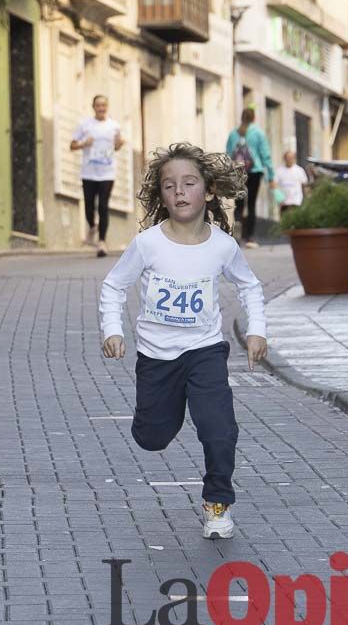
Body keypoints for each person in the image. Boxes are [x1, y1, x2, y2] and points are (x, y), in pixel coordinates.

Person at [99, 143, 268, 540]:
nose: (179, 191)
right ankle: (165, 414)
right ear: (162, 195)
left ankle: (217, 503)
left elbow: (250, 286)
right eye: (169, 185)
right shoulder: (148, 244)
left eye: (189, 183)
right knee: (152, 436)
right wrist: (112, 330)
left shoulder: (222, 246)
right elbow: (113, 285)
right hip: (156, 357)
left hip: (204, 352)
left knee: (218, 427)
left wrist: (257, 330)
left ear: (208, 191)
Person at [71, 95, 124, 257]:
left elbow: (116, 147)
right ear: (93, 107)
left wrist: (119, 143)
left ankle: (102, 242)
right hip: (88, 172)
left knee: (103, 206)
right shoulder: (84, 125)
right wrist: (83, 144)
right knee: (88, 206)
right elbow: (72, 145)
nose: (101, 108)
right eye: (98, 105)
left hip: (107, 173)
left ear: (107, 107)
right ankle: (92, 225)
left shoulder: (114, 126)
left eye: (104, 105)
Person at [225, 108, 275, 248]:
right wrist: (271, 175)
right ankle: (250, 238)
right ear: (254, 118)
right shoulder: (258, 133)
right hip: (254, 171)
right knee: (251, 204)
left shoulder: (233, 134)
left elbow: (228, 155)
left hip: (238, 172)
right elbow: (265, 155)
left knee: (239, 204)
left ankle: (237, 236)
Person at [273, 151, 310, 216]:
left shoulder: (299, 170)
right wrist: (279, 198)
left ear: (294, 158)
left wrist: (307, 199)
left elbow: (304, 185)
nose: (289, 160)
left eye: (291, 158)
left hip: (296, 202)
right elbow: (274, 184)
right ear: (284, 159)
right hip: (284, 203)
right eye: (288, 158)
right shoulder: (279, 171)